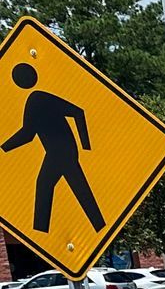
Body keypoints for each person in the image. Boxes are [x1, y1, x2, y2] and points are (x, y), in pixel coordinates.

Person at [2, 61, 106, 233]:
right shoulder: (37, 98)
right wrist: (4, 148)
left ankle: (41, 230)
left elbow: (78, 112)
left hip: (60, 152)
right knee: (77, 189)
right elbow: (28, 134)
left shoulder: (38, 99)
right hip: (63, 151)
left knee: (45, 184)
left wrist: (86, 146)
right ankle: (99, 226)